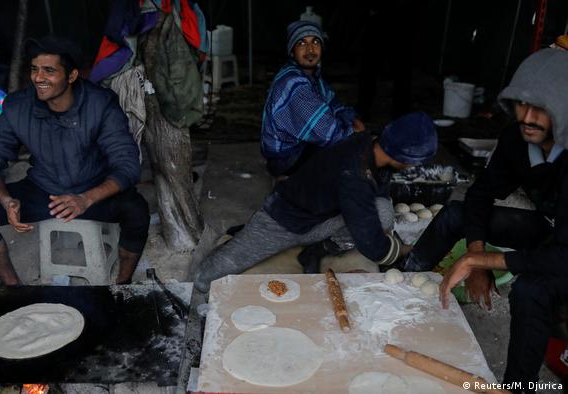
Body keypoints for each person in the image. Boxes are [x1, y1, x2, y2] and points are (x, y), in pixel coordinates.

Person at [401, 48, 568, 392]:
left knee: (530, 290)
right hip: (552, 228)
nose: (529, 117)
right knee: (455, 214)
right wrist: (476, 258)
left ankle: (518, 387)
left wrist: (482, 258)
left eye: (542, 108)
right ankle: (401, 293)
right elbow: (479, 194)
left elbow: (563, 257)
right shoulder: (517, 139)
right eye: (522, 104)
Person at [0, 35, 149, 285]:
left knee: (137, 210)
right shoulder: (18, 106)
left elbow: (127, 165)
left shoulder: (100, 104)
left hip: (93, 191)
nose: (38, 78)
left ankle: (122, 285)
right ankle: (13, 287)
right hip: (44, 191)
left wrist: (86, 199)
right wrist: (6, 200)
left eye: (49, 70)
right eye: (35, 69)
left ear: (71, 76)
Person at [194, 111, 437, 292]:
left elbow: (379, 193)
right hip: (284, 219)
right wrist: (403, 249)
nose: (415, 166)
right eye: (415, 161)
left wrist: (386, 237)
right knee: (225, 265)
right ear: (403, 157)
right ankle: (199, 282)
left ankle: (317, 251)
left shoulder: (371, 145)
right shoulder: (356, 173)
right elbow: (372, 246)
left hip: (322, 217)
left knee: (383, 210)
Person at [261, 21, 364, 178]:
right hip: (286, 159)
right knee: (351, 153)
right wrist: (353, 131)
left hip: (299, 149)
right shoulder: (295, 84)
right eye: (302, 43)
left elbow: (334, 103)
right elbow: (329, 133)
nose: (310, 50)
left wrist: (351, 118)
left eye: (315, 42)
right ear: (292, 52)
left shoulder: (311, 76)